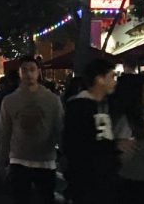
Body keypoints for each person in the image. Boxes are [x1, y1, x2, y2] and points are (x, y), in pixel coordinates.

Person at [0, 56, 64, 204]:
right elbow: (4, 132)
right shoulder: (9, 101)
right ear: (19, 73)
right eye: (24, 70)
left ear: (38, 72)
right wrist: (2, 160)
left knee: (46, 198)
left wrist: (64, 155)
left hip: (45, 160)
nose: (28, 74)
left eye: (32, 70)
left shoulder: (52, 99)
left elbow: (59, 128)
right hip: (18, 159)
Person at [62, 58, 119, 204]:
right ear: (99, 79)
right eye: (112, 76)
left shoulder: (106, 105)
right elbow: (75, 145)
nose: (115, 81)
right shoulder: (79, 107)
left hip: (104, 179)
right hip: (87, 180)